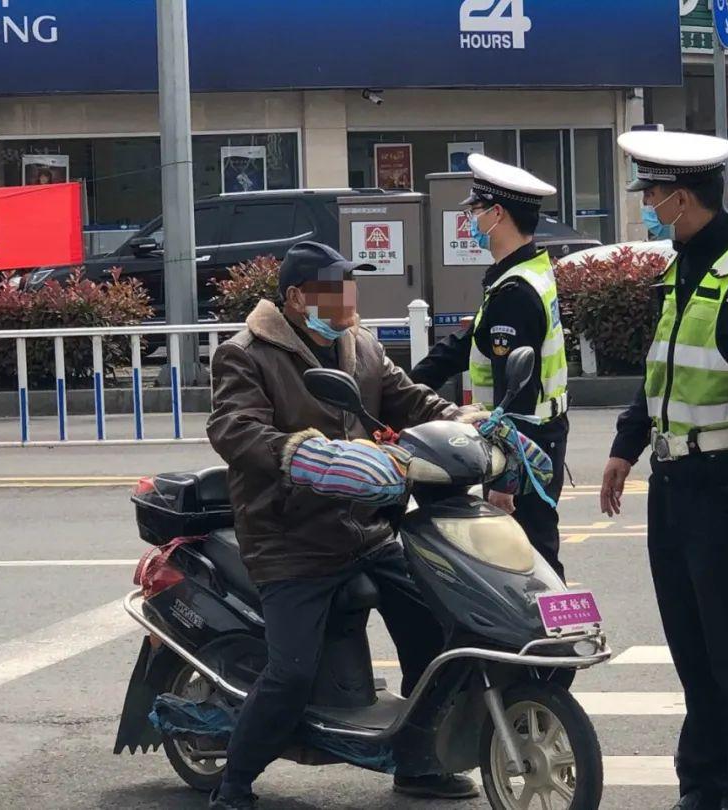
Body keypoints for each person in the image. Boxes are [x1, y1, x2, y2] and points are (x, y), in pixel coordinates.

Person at [206, 241, 479, 809]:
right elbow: (234, 429)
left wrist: (460, 422)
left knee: (437, 635)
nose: (347, 301)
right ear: (297, 298)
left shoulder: (360, 344)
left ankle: (417, 762)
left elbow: (409, 400)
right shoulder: (247, 354)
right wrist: (302, 455)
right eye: (335, 290)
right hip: (290, 540)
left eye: (350, 289)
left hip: (369, 531)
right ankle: (234, 783)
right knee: (291, 675)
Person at [600, 131, 728, 810]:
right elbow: (659, 373)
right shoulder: (679, 270)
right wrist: (626, 448)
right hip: (673, 487)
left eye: (652, 195)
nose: (648, 207)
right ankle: (703, 786)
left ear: (682, 198)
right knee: (692, 652)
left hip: (726, 489)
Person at [410, 154, 571, 580]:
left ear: (498, 215)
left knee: (528, 557)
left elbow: (513, 392)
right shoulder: (525, 273)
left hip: (523, 444)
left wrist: (505, 482)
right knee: (527, 551)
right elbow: (468, 344)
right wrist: (405, 389)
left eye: (476, 212)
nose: (471, 222)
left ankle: (556, 638)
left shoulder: (515, 292)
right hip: (539, 434)